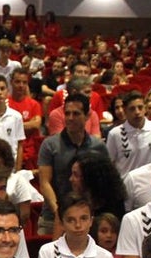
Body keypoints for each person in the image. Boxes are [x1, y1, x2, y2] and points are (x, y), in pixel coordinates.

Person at [38, 92, 108, 235]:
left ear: (87, 116)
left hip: (87, 218)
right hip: (53, 217)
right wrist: (59, 212)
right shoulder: (49, 145)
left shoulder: (98, 146)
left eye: (76, 114)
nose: (70, 118)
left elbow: (103, 184)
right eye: (67, 113)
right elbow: (44, 183)